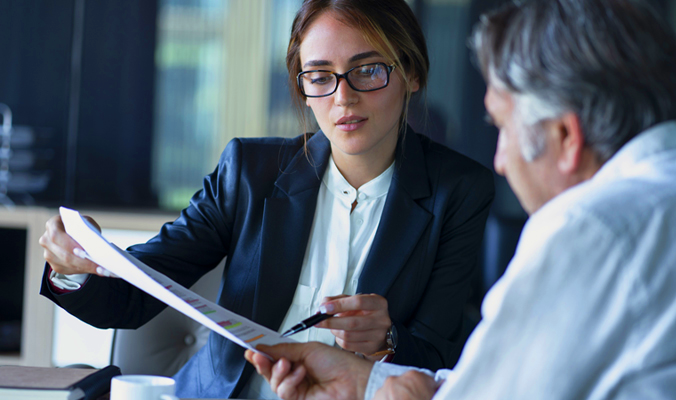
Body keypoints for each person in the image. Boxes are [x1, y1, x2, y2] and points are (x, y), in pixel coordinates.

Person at [245, 0, 676, 399]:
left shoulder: (593, 227)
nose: (499, 159)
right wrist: (370, 381)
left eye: (504, 128)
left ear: (566, 137)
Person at [38, 1, 494, 398]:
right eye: (320, 76)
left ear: (411, 74)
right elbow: (131, 298)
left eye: (368, 70)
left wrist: (387, 339)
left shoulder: (458, 190)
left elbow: (442, 359)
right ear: (303, 88)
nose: (344, 98)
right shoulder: (249, 172)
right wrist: (73, 265)